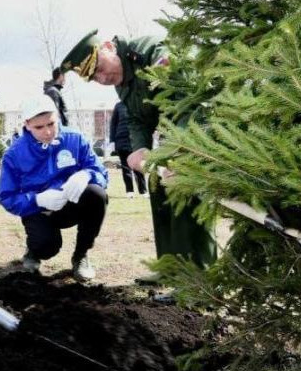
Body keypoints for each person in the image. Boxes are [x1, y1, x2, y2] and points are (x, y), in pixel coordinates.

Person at [60, 30, 216, 273]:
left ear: (109, 47)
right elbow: (136, 117)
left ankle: (199, 274)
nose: (102, 79)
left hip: (201, 128)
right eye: (94, 78)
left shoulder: (149, 52)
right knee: (157, 182)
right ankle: (170, 268)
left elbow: (189, 95)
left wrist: (181, 151)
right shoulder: (122, 82)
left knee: (186, 190)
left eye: (99, 68)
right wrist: (140, 149)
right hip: (176, 138)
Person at [0, 95, 108, 282]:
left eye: (51, 124)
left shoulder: (75, 139)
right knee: (47, 247)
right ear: (27, 124)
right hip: (38, 210)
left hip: (71, 205)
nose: (48, 132)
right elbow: (7, 196)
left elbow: (101, 172)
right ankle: (34, 250)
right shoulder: (14, 154)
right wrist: (37, 200)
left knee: (96, 194)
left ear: (57, 117)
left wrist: (88, 174)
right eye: (39, 127)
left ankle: (81, 255)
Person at [109, 101, 146, 198]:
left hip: (136, 141)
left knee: (138, 166)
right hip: (121, 140)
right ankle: (129, 192)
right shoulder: (118, 106)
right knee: (126, 168)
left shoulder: (138, 104)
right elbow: (113, 124)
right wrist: (112, 141)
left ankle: (143, 191)